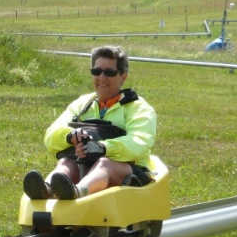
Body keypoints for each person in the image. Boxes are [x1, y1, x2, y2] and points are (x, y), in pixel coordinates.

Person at [23, 45, 157, 200]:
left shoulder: (138, 108)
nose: (102, 78)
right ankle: (46, 190)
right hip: (85, 165)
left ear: (123, 77)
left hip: (129, 172)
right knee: (66, 162)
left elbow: (139, 142)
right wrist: (70, 137)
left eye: (109, 73)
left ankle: (77, 192)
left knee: (104, 163)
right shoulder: (82, 104)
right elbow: (50, 136)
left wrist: (102, 148)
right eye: (96, 71)